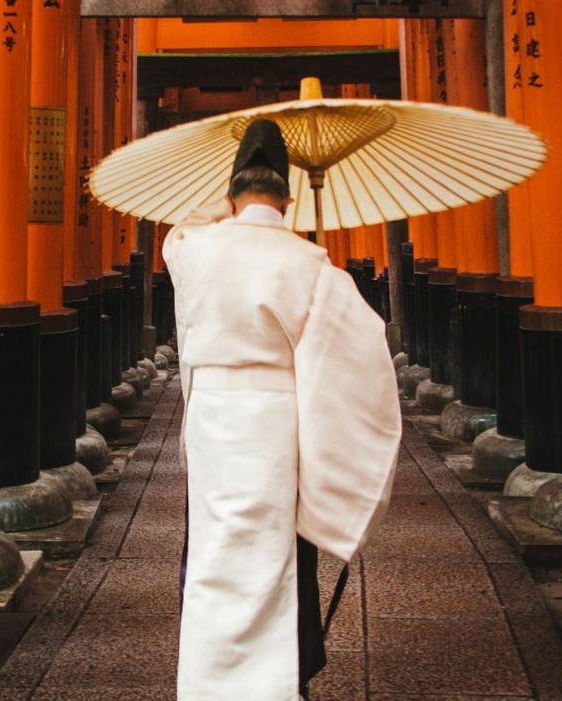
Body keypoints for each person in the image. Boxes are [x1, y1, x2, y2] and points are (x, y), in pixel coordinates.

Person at [164, 119, 402, 701]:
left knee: (215, 554)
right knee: (277, 554)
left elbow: (184, 229)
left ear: (230, 195)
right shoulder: (311, 264)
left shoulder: (190, 249)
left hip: (212, 420)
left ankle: (207, 684)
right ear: (290, 198)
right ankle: (276, 683)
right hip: (275, 420)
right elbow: (356, 355)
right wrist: (318, 272)